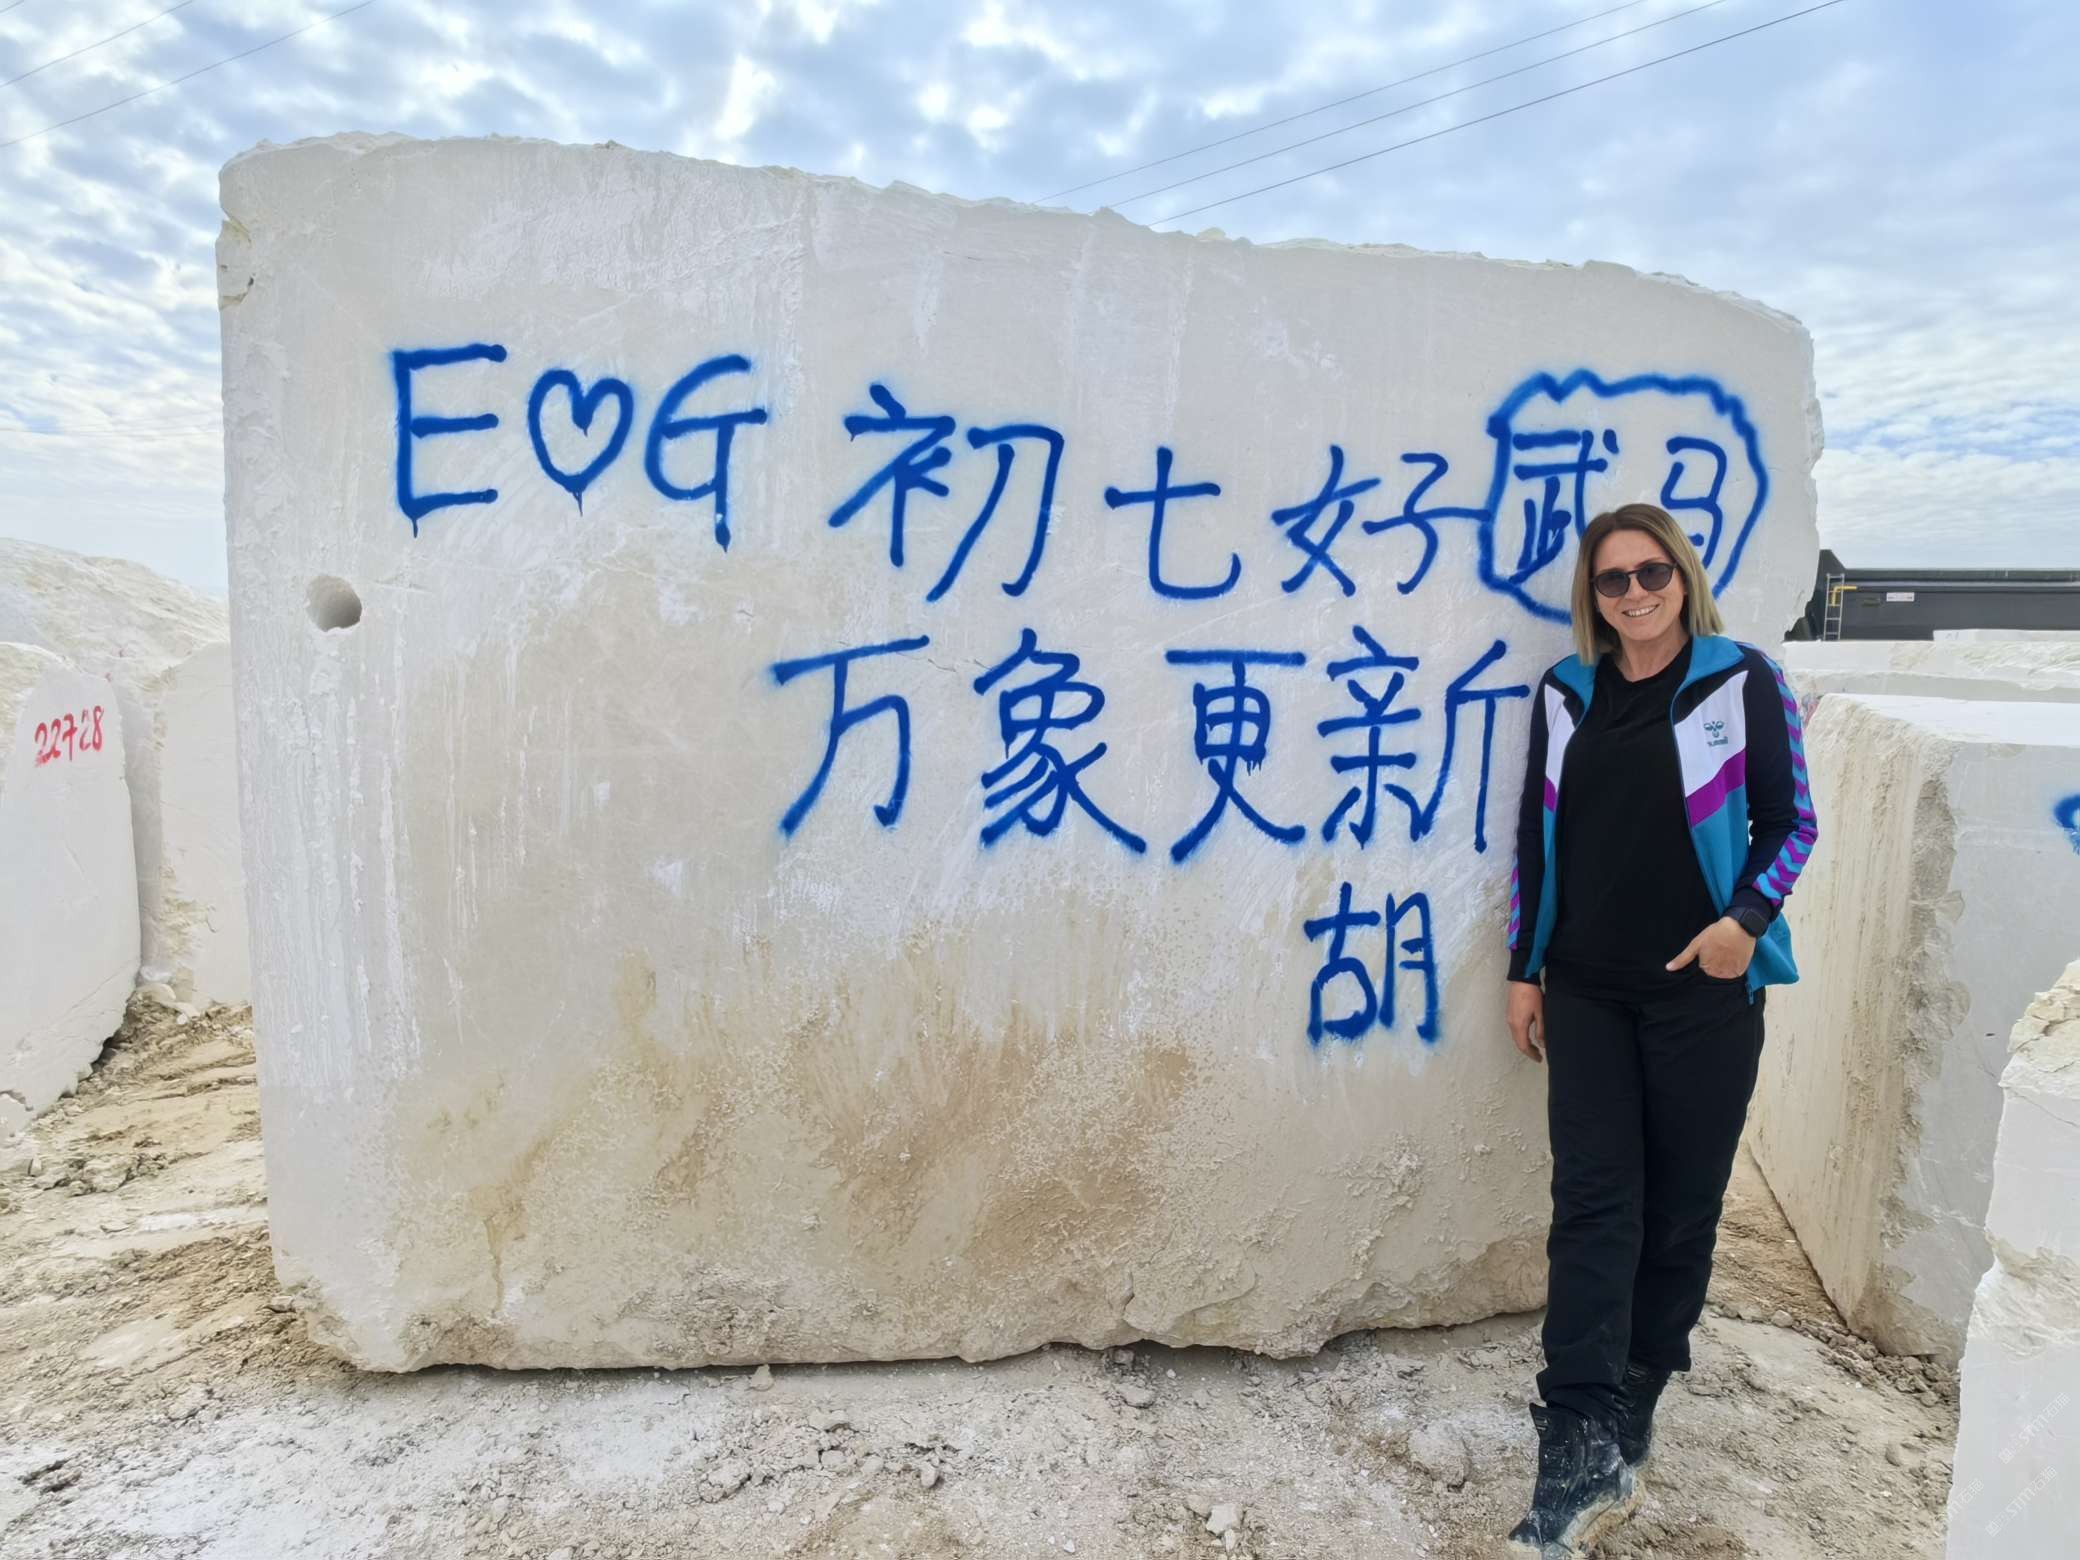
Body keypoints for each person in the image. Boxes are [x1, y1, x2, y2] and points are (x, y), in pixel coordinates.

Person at [1500, 503, 1818, 1557]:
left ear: (1682, 576)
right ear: (1592, 598)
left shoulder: (1739, 680)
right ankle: (1576, 1431)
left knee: (1681, 1206)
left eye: (1651, 573)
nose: (1634, 593)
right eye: (1612, 580)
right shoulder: (1566, 692)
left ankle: (1639, 1382)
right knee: (1593, 1204)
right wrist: (1524, 969)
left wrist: (1743, 924)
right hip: (1586, 988)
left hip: (1702, 994)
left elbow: (1792, 822)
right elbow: (1535, 837)